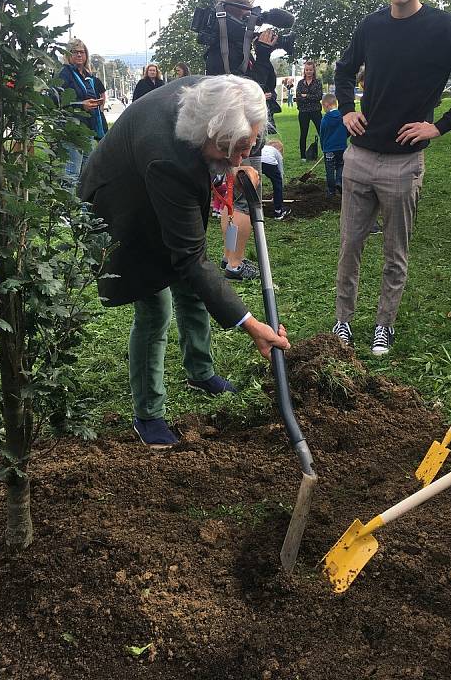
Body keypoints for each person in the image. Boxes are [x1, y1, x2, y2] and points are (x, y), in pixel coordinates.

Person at [79, 74, 290, 448]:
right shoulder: (169, 158)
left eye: (250, 145)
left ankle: (200, 371)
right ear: (211, 136)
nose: (243, 156)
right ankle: (148, 416)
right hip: (121, 207)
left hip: (154, 182)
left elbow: (191, 258)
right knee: (155, 308)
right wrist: (251, 324)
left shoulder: (214, 94)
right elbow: (189, 257)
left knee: (192, 288)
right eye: (239, 148)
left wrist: (237, 163)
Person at [332, 0, 451, 355]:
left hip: (405, 163)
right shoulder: (370, 25)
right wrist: (347, 108)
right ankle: (344, 323)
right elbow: (345, 69)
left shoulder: (445, 28)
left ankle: (383, 324)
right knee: (350, 244)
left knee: (394, 249)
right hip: (361, 156)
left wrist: (438, 127)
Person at [204, 0, 280, 281]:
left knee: (235, 196)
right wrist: (261, 53)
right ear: (236, 13)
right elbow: (254, 87)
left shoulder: (225, 47)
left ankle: (230, 257)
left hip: (240, 129)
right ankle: (235, 263)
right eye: (248, 13)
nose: (253, 20)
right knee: (245, 196)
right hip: (242, 131)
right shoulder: (231, 50)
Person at [58, 38, 107, 189]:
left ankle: (82, 209)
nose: (79, 55)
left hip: (89, 128)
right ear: (68, 55)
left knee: (86, 172)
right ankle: (67, 211)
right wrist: (81, 105)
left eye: (82, 52)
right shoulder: (65, 74)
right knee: (72, 172)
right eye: (75, 52)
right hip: (73, 128)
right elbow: (58, 101)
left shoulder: (88, 75)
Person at [320, 92, 347, 196]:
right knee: (340, 165)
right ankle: (339, 181)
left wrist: (323, 147)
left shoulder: (325, 119)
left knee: (329, 169)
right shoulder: (343, 117)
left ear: (326, 105)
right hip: (342, 148)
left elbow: (322, 134)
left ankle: (331, 191)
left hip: (329, 150)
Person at [296, 61, 323, 161]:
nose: (308, 72)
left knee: (321, 132)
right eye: (307, 70)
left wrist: (306, 96)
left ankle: (326, 153)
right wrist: (309, 97)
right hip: (303, 112)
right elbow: (298, 97)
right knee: (303, 133)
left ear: (313, 70)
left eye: (310, 70)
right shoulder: (300, 83)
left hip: (315, 111)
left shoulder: (318, 82)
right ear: (304, 70)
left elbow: (318, 96)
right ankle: (303, 156)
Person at [261, 139, 290, 220]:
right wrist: (278, 193)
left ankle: (254, 206)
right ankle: (278, 211)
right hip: (269, 163)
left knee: (255, 181)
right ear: (279, 150)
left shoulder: (263, 147)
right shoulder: (276, 152)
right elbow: (280, 172)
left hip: (256, 160)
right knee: (277, 183)